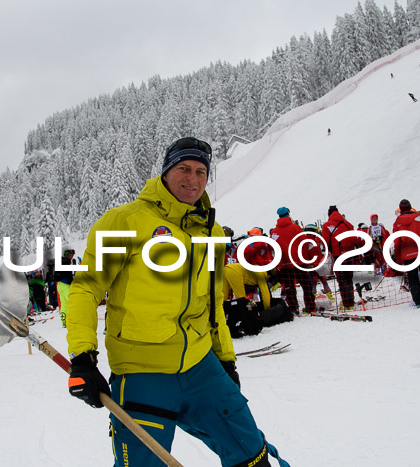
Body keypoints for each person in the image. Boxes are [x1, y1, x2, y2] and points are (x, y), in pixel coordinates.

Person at [66, 137, 287, 467]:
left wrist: (225, 359)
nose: (193, 179)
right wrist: (83, 356)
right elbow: (85, 289)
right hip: (142, 373)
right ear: (166, 172)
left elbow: (213, 303)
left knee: (251, 453)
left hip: (201, 367)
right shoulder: (125, 221)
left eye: (201, 171)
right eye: (184, 168)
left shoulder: (210, 230)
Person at [271, 207, 316, 315]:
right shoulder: (296, 228)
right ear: (288, 214)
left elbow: (273, 249)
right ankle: (310, 307)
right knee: (306, 285)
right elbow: (304, 243)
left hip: (285, 264)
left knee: (289, 287)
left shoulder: (274, 232)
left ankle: (293, 308)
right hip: (299, 262)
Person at [322, 206, 364, 310]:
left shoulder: (327, 225)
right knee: (349, 279)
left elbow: (325, 242)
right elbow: (355, 238)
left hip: (338, 255)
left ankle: (347, 303)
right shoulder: (347, 224)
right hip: (350, 255)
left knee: (342, 280)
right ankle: (350, 301)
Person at [55, 248, 75, 327]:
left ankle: (64, 321)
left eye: (71, 255)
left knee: (64, 304)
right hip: (65, 284)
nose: (71, 256)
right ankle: (72, 320)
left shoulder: (60, 261)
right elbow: (68, 275)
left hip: (59, 284)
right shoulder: (66, 262)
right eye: (69, 255)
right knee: (70, 302)